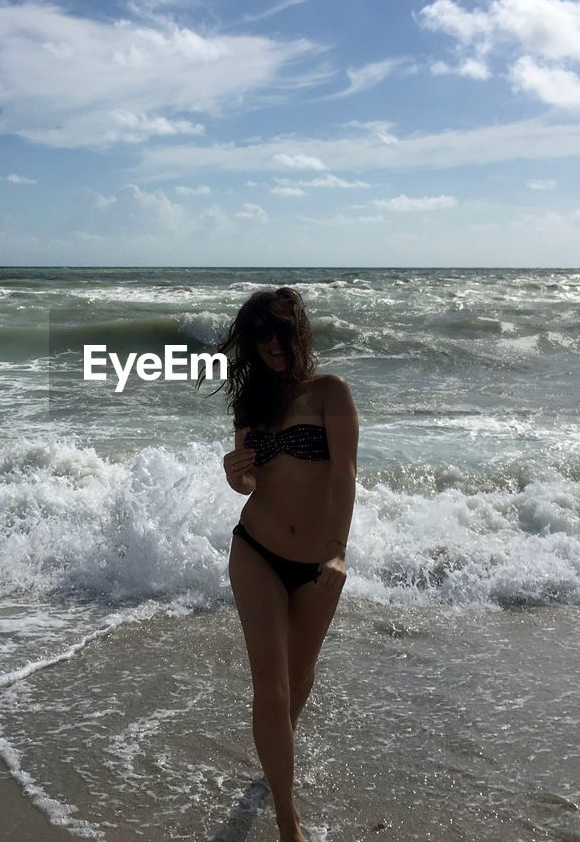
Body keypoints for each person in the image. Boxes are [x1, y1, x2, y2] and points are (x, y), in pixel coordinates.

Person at [208, 286, 359, 842]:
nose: (271, 344)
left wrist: (339, 550)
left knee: (297, 681)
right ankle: (287, 821)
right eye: (260, 336)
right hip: (256, 550)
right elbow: (249, 482)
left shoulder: (331, 392)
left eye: (278, 332)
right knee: (270, 688)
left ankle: (274, 760)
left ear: (298, 331)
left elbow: (344, 475)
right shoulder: (254, 405)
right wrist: (235, 473)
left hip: (320, 563)